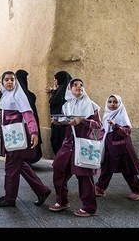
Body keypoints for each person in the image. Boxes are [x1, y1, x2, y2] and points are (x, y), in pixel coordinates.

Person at [0, 71, 51, 208]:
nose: (9, 82)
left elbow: (28, 116)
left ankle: (9, 198)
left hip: (16, 139)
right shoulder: (5, 96)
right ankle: (42, 190)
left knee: (11, 168)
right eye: (6, 79)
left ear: (16, 81)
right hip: (10, 138)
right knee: (21, 166)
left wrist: (34, 133)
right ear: (2, 82)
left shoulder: (19, 96)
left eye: (12, 79)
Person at [49, 78, 102, 217]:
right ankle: (62, 201)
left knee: (84, 176)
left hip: (83, 144)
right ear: (69, 89)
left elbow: (98, 125)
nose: (78, 87)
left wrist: (82, 120)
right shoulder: (66, 106)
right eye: (75, 85)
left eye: (81, 85)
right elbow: (68, 123)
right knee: (58, 170)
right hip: (68, 144)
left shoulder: (91, 105)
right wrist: (59, 122)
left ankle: (90, 207)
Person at [95, 94, 139, 200]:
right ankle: (100, 188)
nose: (112, 104)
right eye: (110, 101)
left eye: (115, 102)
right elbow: (104, 130)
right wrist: (100, 142)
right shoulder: (107, 114)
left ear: (119, 104)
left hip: (122, 149)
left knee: (127, 170)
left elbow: (127, 131)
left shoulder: (121, 115)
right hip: (108, 148)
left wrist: (115, 126)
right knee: (106, 169)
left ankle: (137, 190)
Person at [15, 69, 42, 165]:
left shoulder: (24, 92)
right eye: (25, 78)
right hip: (25, 123)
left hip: (31, 122)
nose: (27, 80)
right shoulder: (20, 95)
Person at [45, 71, 72, 155]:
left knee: (59, 143)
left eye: (55, 80)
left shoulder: (65, 92)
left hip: (62, 124)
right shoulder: (61, 90)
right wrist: (53, 90)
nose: (55, 82)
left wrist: (54, 91)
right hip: (57, 123)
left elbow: (55, 102)